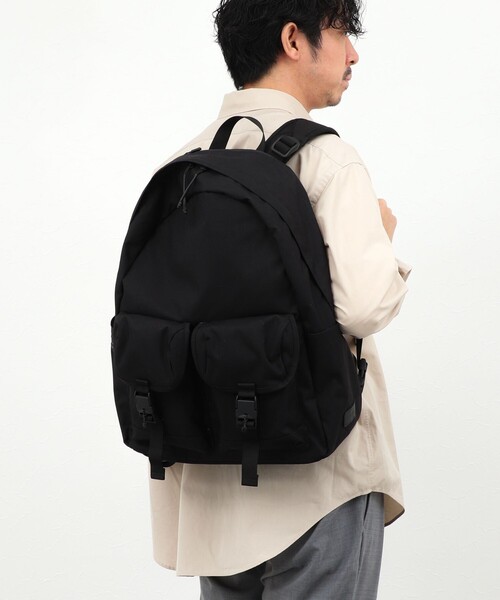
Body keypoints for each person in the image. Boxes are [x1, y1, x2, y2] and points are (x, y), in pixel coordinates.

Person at [149, 1, 411, 597]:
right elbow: (364, 305)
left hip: (210, 488)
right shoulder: (327, 159)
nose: (353, 54)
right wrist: (382, 242)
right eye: (341, 32)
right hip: (316, 485)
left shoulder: (184, 166)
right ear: (294, 40)